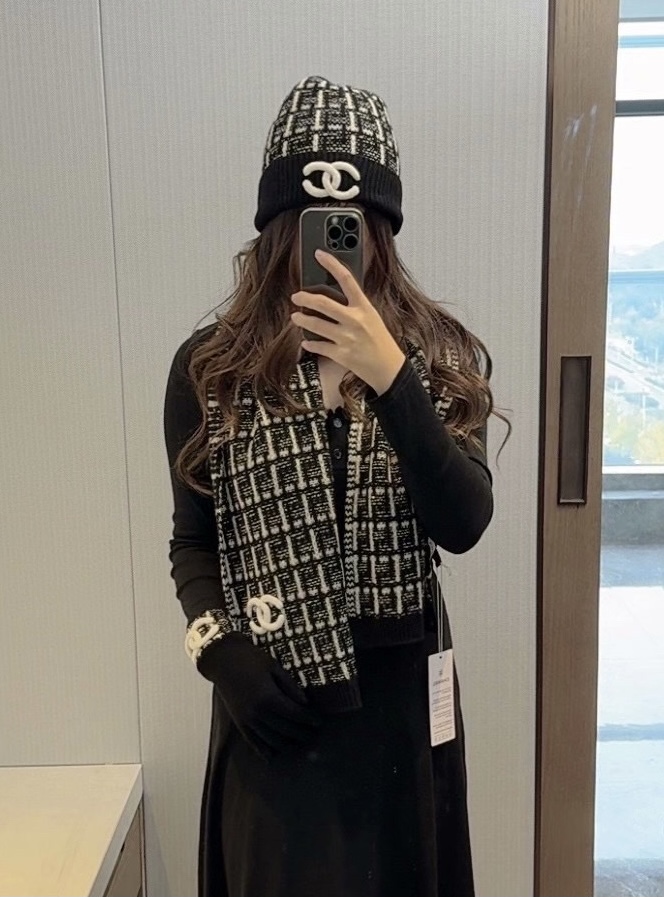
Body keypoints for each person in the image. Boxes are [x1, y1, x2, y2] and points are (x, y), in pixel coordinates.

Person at [163, 75, 503, 897]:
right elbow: (193, 541)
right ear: (281, 225)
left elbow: (464, 521)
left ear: (381, 229)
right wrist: (224, 657)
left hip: (402, 712)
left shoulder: (439, 356)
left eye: (355, 226)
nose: (334, 248)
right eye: (313, 223)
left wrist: (392, 379)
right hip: (271, 704)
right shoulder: (211, 369)